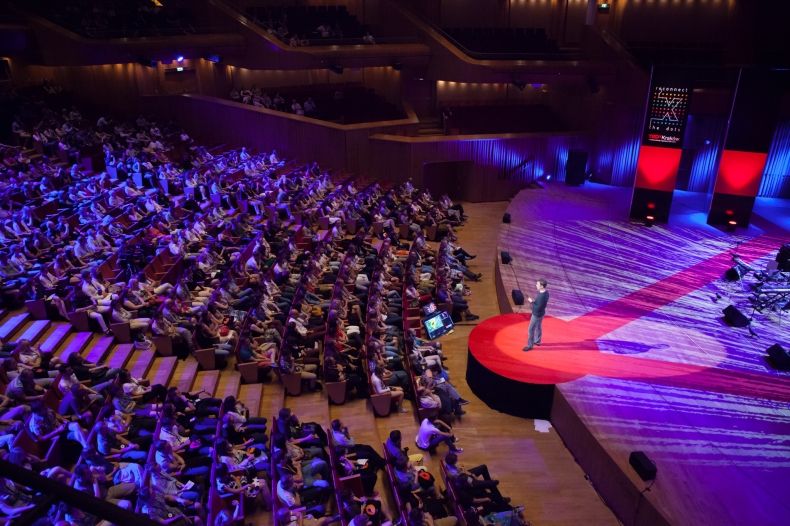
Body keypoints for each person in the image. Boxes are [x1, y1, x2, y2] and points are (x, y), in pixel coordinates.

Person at [523, 278, 549, 352]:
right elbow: (540, 304)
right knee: (538, 326)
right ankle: (537, 341)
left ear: (541, 286)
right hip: (542, 313)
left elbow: (537, 307)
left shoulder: (541, 296)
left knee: (530, 329)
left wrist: (531, 302)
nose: (536, 285)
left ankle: (529, 345)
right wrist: (535, 302)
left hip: (536, 314)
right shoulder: (546, 293)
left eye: (537, 284)